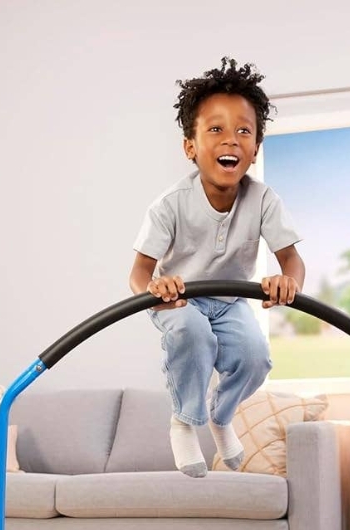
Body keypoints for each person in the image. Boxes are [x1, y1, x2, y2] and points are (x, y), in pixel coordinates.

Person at [129, 57, 305, 477]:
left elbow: (292, 260)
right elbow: (138, 274)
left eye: (243, 131)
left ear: (256, 148)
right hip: (179, 302)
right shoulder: (170, 204)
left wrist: (288, 281)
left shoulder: (263, 199)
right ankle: (184, 421)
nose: (231, 140)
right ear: (190, 146)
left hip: (230, 300)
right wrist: (155, 290)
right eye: (216, 130)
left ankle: (221, 417)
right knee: (192, 333)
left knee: (255, 356)